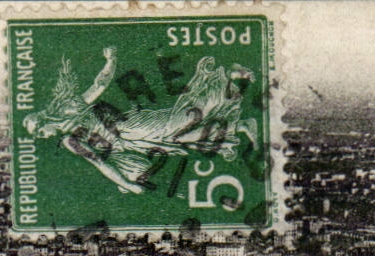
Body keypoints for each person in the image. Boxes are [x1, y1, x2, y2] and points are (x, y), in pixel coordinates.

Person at [23, 47, 258, 194]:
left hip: (131, 127)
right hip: (127, 147)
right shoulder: (69, 141)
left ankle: (229, 77)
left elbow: (99, 85)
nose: (42, 136)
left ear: (46, 120)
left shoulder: (73, 108)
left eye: (39, 131)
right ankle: (241, 125)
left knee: (184, 120)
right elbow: (101, 163)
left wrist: (111, 59)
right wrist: (128, 183)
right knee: (182, 139)